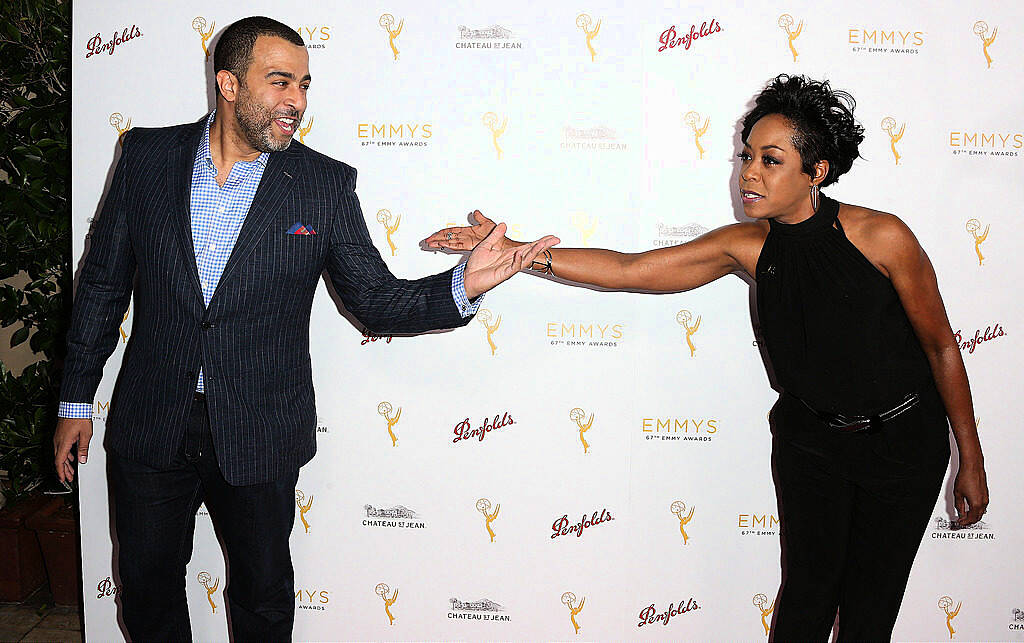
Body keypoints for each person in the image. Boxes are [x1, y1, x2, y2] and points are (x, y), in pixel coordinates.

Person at [426, 74, 989, 641]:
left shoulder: (882, 237)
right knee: (804, 604)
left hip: (903, 444)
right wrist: (518, 255)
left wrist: (971, 455)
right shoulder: (746, 247)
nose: (748, 172)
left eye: (771, 160)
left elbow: (942, 346)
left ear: (816, 172)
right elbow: (631, 269)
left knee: (870, 613)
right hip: (811, 444)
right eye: (747, 156)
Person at [53, 16, 557, 642]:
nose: (297, 102)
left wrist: (464, 283)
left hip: (263, 425)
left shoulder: (322, 185)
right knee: (149, 595)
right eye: (281, 82)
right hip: (153, 420)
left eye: (305, 85)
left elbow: (373, 300)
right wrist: (76, 398)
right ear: (229, 85)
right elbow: (102, 285)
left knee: (264, 602)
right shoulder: (147, 159)